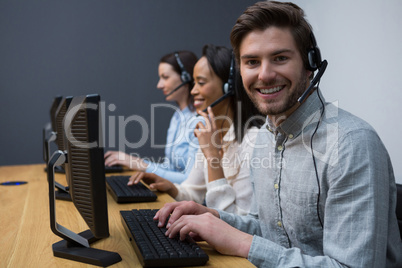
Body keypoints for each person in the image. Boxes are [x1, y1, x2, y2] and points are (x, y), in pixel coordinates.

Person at [153, 1, 402, 267]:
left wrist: (241, 243)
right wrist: (213, 217)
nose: (265, 74)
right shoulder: (265, 137)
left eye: (280, 58)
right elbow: (271, 232)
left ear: (310, 63)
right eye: (252, 62)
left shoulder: (352, 145)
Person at [129, 44, 263, 215]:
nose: (193, 91)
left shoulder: (252, 141)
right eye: (193, 83)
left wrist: (212, 155)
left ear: (228, 87)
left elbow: (236, 220)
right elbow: (193, 192)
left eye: (201, 83)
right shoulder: (212, 133)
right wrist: (171, 188)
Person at [104, 51, 201, 184]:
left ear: (186, 78)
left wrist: (141, 165)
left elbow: (188, 180)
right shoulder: (177, 117)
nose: (159, 85)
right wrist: (134, 162)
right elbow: (172, 168)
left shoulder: (198, 120)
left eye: (165, 77)